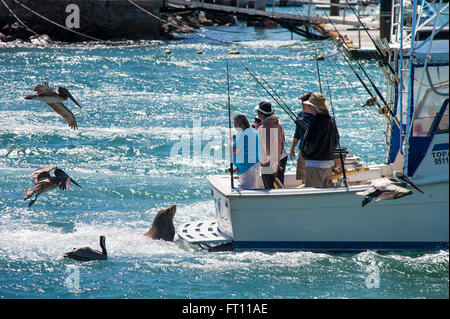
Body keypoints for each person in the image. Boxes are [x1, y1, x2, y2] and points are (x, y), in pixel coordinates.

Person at [300, 92, 339, 187]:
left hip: (315, 165)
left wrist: (305, 153)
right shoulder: (331, 120)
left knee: (312, 196)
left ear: (313, 107)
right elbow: (336, 140)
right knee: (325, 196)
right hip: (328, 164)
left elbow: (310, 142)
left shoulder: (316, 121)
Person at [255, 101, 288, 189]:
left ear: (261, 114)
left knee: (269, 188)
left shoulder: (262, 129)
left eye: (258, 112)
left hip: (268, 163)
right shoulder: (278, 124)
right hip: (280, 159)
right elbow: (282, 142)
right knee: (279, 186)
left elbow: (267, 150)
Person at [289, 92, 314, 181]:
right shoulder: (300, 114)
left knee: (311, 176)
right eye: (302, 101)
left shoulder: (317, 117)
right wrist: (292, 148)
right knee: (303, 176)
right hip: (302, 150)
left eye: (304, 101)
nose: (302, 103)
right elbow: (297, 133)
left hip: (313, 151)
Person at [232, 114, 260, 189]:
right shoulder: (252, 132)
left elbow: (235, 150)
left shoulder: (243, 134)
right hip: (253, 165)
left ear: (239, 124)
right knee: (252, 188)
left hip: (247, 168)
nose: (234, 126)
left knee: (247, 190)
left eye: (234, 123)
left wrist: (229, 141)